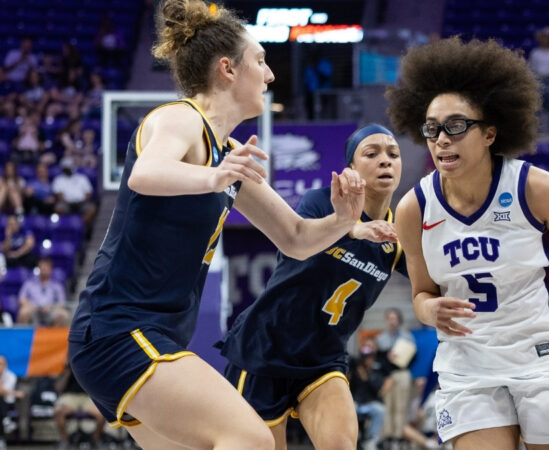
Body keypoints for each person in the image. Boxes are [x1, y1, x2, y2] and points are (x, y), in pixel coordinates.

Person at [67, 1, 367, 448]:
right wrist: (217, 176)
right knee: (252, 440)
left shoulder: (225, 153)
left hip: (145, 336)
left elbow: (297, 238)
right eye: (261, 62)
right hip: (120, 330)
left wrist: (343, 220)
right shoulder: (181, 117)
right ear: (227, 69)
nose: (270, 76)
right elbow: (145, 175)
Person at [385, 37, 549, 449]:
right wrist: (430, 309)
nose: (441, 140)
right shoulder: (414, 208)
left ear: (489, 133)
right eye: (432, 129)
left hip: (545, 356)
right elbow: (420, 293)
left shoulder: (536, 189)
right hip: (468, 365)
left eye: (456, 126)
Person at [218, 123, 407, 450]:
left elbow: (432, 278)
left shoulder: (398, 236)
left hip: (323, 358)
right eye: (372, 153)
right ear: (351, 168)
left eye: (393, 154)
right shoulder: (322, 201)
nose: (385, 161)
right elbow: (300, 237)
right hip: (266, 348)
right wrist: (354, 228)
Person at [376, 308, 415, 445]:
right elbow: (378, 360)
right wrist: (387, 357)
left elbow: (413, 356)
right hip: (388, 375)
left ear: (399, 320)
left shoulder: (407, 336)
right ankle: (388, 435)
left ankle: (399, 435)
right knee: (388, 405)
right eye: (390, 318)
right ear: (387, 320)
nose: (392, 321)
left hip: (402, 373)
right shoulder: (381, 338)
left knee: (401, 405)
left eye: (395, 318)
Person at [54, 362, 106, 448]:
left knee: (102, 413)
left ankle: (96, 439)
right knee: (59, 412)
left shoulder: (89, 365)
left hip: (87, 396)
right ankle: (65, 441)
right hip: (70, 396)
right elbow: (58, 388)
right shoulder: (66, 369)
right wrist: (68, 372)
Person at [350, 338, 389, 450]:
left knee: (380, 410)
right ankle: (352, 437)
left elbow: (377, 390)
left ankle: (371, 438)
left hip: (370, 404)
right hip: (357, 403)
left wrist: (366, 377)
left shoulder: (376, 370)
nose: (367, 360)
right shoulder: (356, 369)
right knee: (349, 408)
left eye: (369, 357)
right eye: (365, 358)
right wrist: (356, 372)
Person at [16, 257, 68, 326]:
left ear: (50, 269)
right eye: (42, 267)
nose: (44, 269)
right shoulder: (29, 283)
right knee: (24, 312)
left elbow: (61, 302)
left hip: (50, 310)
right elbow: (21, 298)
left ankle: (56, 336)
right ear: (39, 269)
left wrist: (51, 307)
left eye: (46, 267)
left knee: (63, 314)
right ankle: (22, 336)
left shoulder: (56, 286)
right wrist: (31, 306)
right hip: (33, 310)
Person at [529, 27, 549, 134]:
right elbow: (532, 67)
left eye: (547, 38)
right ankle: (536, 131)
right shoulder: (535, 52)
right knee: (537, 107)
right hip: (539, 79)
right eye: (543, 38)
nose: (545, 40)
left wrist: (548, 74)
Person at [0, 355, 24, 450]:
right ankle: (6, 420)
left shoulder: (11, 376)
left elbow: (4, 393)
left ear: (5, 365)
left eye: (0, 364)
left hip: (9, 404)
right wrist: (14, 393)